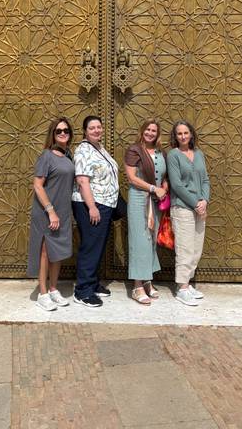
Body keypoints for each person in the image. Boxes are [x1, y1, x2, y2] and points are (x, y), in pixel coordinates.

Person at [27, 117, 75, 311]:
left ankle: (54, 289)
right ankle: (43, 293)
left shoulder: (69, 155)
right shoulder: (46, 156)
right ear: (53, 134)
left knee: (59, 252)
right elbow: (38, 185)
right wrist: (51, 211)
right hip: (47, 211)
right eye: (58, 131)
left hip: (63, 211)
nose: (63, 133)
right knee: (46, 252)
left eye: (66, 130)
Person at [72, 115, 119, 307]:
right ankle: (82, 291)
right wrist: (91, 207)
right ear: (85, 130)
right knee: (91, 247)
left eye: (99, 127)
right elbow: (82, 180)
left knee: (97, 245)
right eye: (92, 128)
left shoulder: (98, 148)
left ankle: (92, 282)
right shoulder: (83, 150)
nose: (96, 130)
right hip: (91, 204)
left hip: (104, 203)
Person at [167, 120, 210, 306]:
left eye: (186, 133)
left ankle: (188, 282)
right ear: (175, 137)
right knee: (184, 248)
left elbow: (206, 179)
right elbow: (176, 184)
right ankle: (182, 288)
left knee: (196, 249)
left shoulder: (199, 154)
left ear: (191, 134)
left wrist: (204, 201)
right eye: (179, 134)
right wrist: (195, 203)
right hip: (183, 207)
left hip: (200, 207)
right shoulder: (173, 155)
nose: (183, 136)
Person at [124, 120, 167, 305]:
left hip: (156, 201)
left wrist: (164, 188)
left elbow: (165, 176)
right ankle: (137, 285)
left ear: (158, 134)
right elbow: (132, 178)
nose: (150, 133)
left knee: (151, 240)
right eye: (148, 130)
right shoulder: (134, 150)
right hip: (139, 199)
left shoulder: (161, 152)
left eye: (154, 131)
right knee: (139, 240)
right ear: (142, 131)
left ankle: (148, 280)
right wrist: (152, 188)